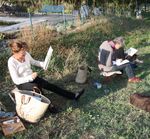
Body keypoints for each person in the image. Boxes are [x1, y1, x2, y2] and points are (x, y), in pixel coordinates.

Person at [8, 40, 84, 112]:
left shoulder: (26, 54)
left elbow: (33, 62)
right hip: (22, 83)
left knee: (49, 85)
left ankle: (73, 96)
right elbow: (16, 80)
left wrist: (43, 64)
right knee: (37, 88)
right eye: (22, 54)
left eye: (25, 53)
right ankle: (50, 106)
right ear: (15, 53)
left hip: (32, 77)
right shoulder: (11, 62)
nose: (24, 55)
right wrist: (30, 77)